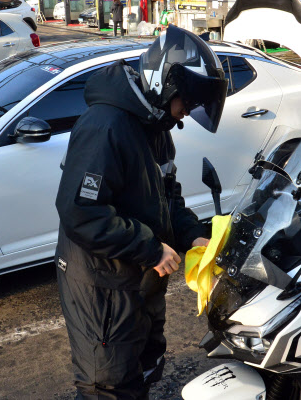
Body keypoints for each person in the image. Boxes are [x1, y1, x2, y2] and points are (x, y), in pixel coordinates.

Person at [55, 25, 229, 399]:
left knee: (144, 365)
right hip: (103, 285)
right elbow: (81, 212)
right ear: (165, 84)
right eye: (187, 102)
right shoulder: (106, 127)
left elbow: (168, 199)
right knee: (111, 384)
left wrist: (189, 234)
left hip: (139, 281)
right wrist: (150, 248)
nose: (186, 113)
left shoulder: (155, 127)